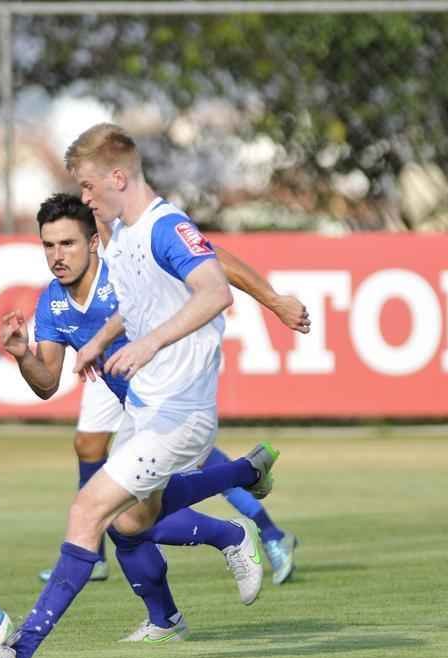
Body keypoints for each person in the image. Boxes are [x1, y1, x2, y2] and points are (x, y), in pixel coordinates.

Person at [0, 123, 307, 658]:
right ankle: (240, 487)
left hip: (180, 412)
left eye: (90, 188)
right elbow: (62, 368)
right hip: (146, 405)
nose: (87, 198)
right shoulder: (124, 239)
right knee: (128, 524)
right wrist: (65, 347)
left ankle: (17, 651)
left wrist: (270, 304)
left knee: (88, 510)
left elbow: (216, 283)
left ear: (117, 177)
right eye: (48, 244)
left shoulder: (164, 227)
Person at [16, 193, 305, 592]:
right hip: (111, 379)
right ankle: (146, 594)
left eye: (67, 242)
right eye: (49, 245)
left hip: (163, 379)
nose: (57, 252)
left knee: (137, 499)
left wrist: (273, 301)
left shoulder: (127, 244)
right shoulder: (55, 296)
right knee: (103, 470)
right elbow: (46, 382)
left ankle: (261, 527)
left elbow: (210, 257)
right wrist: (20, 353)